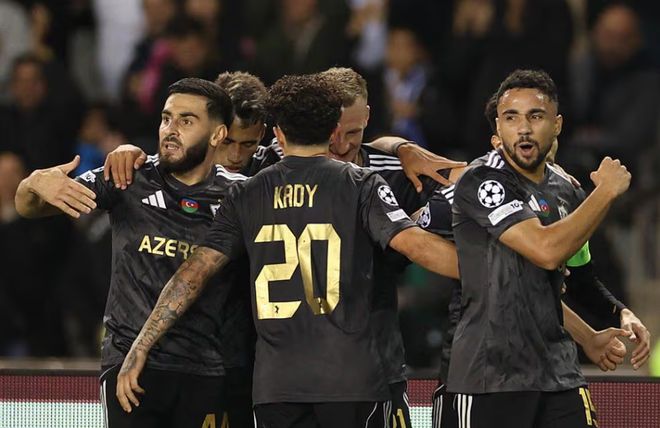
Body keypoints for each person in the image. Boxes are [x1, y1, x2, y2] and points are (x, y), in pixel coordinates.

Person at [115, 73, 461, 428]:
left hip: (276, 386)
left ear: (278, 134)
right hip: (350, 379)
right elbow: (415, 245)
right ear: (332, 130)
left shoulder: (245, 193)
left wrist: (141, 344)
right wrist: (484, 269)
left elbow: (194, 272)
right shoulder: (361, 184)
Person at [15, 77, 240, 428]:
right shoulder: (127, 177)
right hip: (129, 368)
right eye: (166, 118)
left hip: (208, 368)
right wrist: (33, 184)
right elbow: (29, 207)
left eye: (186, 121)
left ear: (217, 135)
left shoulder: (239, 195)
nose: (171, 130)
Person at [426, 91, 651, 428]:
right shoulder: (477, 183)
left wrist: (618, 313)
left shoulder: (566, 191)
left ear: (556, 127)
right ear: (498, 135)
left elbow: (575, 277)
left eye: (536, 119)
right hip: (487, 370)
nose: (527, 132)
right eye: (513, 119)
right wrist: (468, 267)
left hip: (556, 371)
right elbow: (546, 252)